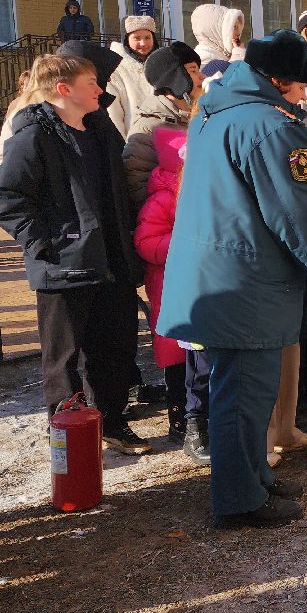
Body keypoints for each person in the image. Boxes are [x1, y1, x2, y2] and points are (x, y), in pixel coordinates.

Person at [157, 30, 307, 528]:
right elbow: (296, 211)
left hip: (218, 271)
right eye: (302, 86)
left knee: (239, 390)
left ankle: (254, 476)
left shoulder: (216, 112)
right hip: (247, 278)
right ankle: (240, 499)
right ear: (280, 80)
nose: (305, 96)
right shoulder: (272, 126)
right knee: (243, 394)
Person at [0, 52, 150, 455]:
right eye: (91, 83)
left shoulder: (101, 130)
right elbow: (9, 200)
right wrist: (47, 245)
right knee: (63, 358)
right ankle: (68, 435)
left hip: (112, 259)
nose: (100, 90)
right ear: (64, 90)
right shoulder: (33, 137)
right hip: (63, 267)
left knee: (115, 348)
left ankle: (112, 422)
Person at [133, 125, 194, 448]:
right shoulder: (162, 199)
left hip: (193, 284)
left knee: (196, 356)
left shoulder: (198, 192)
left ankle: (197, 414)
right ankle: (179, 417)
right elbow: (146, 242)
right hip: (169, 286)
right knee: (175, 357)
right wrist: (182, 244)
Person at [120, 40, 202, 209]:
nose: (202, 77)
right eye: (193, 71)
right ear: (175, 78)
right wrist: (168, 211)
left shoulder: (197, 115)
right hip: (168, 221)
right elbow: (136, 182)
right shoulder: (150, 126)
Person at [106, 14, 158, 137]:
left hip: (163, 138)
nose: (143, 43)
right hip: (133, 138)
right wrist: (120, 145)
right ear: (127, 39)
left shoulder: (162, 64)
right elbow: (114, 112)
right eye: (137, 38)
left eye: (147, 37)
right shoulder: (116, 68)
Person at [190, 3, 246, 69]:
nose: (238, 33)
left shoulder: (225, 53)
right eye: (234, 27)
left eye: (239, 28)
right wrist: (238, 56)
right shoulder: (202, 59)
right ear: (216, 30)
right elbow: (229, 78)